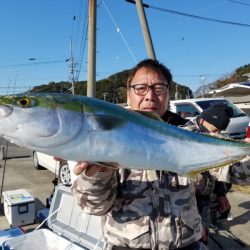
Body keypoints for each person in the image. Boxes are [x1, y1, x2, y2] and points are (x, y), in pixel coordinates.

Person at [71, 59, 250, 250]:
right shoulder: (106, 136)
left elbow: (241, 173)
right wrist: (98, 174)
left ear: (168, 95)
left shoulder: (191, 135)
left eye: (158, 88)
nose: (150, 96)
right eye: (140, 88)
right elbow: (94, 207)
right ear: (129, 94)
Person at [183, 103, 234, 244]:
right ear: (203, 120)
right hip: (188, 201)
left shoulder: (214, 137)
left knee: (204, 239)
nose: (215, 134)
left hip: (206, 198)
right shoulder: (186, 135)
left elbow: (216, 168)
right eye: (214, 129)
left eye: (219, 130)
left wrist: (221, 194)